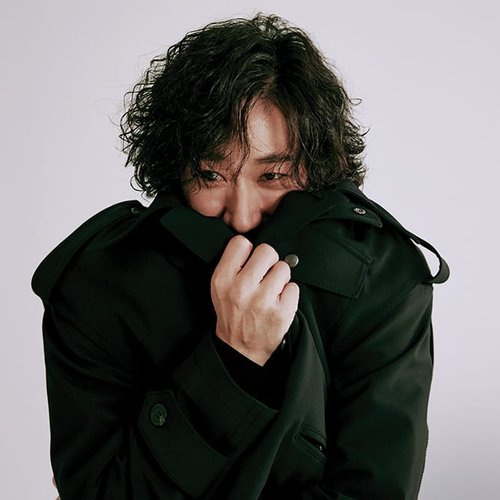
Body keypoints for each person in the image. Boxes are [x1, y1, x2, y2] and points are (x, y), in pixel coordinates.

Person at [32, 13, 449, 500]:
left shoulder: (383, 279)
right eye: (212, 176)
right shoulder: (98, 282)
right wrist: (234, 361)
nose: (244, 215)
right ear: (174, 167)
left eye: (272, 176)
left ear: (317, 166)